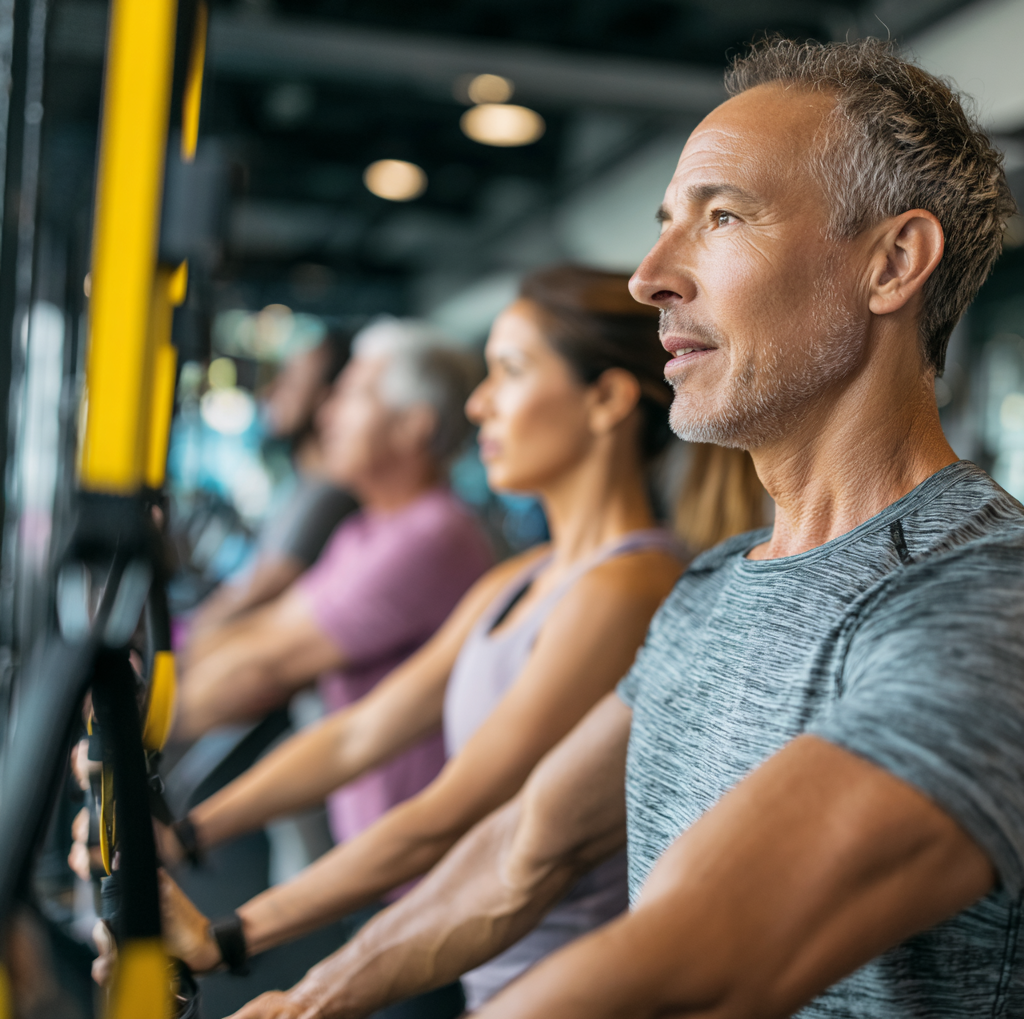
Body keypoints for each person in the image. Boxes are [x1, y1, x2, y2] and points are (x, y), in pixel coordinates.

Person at [221, 37, 1024, 1019]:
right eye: (664, 224)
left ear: (893, 262)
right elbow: (526, 850)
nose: (649, 276)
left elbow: (701, 950)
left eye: (722, 216)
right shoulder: (712, 585)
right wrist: (274, 977)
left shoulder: (985, 601)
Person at [150, 265, 726, 1010]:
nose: (479, 405)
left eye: (509, 372)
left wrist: (232, 934)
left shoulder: (627, 588)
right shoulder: (517, 580)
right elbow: (358, 733)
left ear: (607, 400)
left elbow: (449, 815)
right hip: (485, 980)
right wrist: (187, 830)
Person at [171, 320, 494, 864]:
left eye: (353, 395)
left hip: (417, 865)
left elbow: (266, 669)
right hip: (373, 845)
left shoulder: (432, 535)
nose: (327, 414)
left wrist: (138, 723)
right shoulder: (363, 530)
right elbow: (266, 629)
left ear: (414, 426)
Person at [183, 333, 355, 654]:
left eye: (291, 381)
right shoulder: (302, 485)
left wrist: (179, 643)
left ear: (327, 397)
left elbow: (260, 592)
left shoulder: (328, 494)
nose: (272, 391)